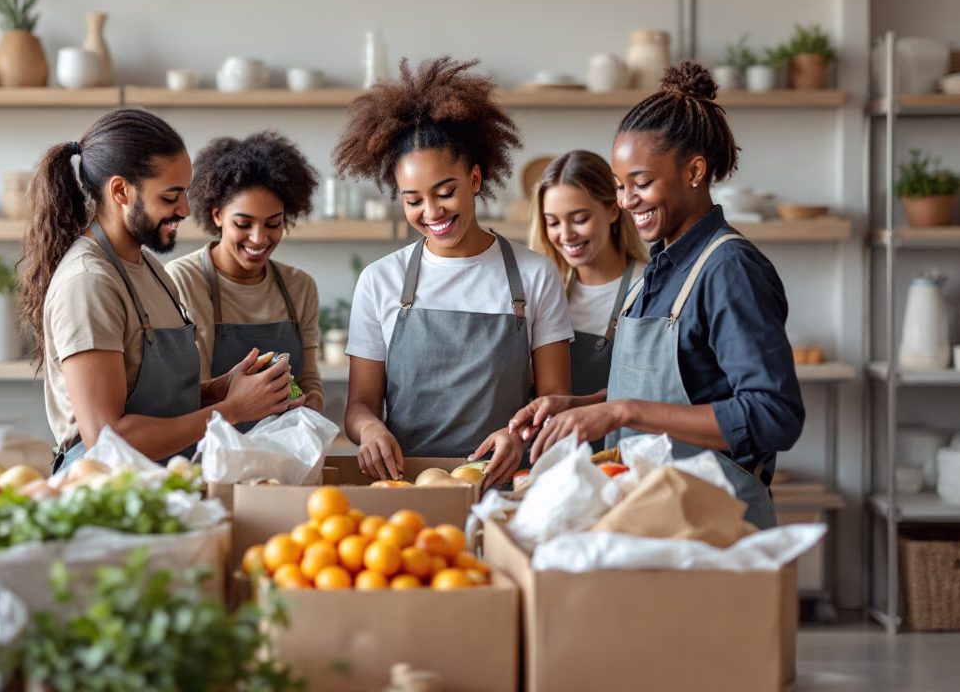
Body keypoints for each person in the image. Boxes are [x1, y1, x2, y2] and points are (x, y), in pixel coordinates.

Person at [510, 62, 804, 528]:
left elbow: (773, 416)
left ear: (695, 170)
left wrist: (620, 412)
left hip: (717, 525)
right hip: (658, 517)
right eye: (622, 187)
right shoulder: (662, 267)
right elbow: (674, 389)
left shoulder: (729, 269)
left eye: (641, 183)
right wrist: (584, 406)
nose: (627, 202)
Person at [333, 56, 574, 491]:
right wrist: (369, 430)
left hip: (505, 487)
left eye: (445, 192)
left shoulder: (535, 275)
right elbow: (359, 406)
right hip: (405, 490)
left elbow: (554, 400)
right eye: (413, 200)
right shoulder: (380, 280)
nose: (431, 212)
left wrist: (520, 437)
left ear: (476, 178)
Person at [18, 109, 295, 472]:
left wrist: (217, 389)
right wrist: (232, 410)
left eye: (185, 193)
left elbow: (147, 397)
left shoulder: (149, 268)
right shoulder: (89, 283)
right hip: (107, 498)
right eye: (170, 197)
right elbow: (106, 438)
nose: (184, 209)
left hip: (161, 483)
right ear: (121, 191)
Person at [166, 131, 324, 426]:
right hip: (209, 452)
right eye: (243, 223)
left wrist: (311, 402)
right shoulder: (182, 281)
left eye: (273, 224)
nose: (259, 238)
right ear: (216, 216)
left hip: (284, 451)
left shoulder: (299, 287)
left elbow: (309, 378)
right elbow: (183, 394)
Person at [529, 149, 648, 451]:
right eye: (552, 222)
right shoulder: (543, 288)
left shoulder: (649, 287)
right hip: (549, 462)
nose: (566, 234)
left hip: (620, 461)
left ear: (612, 211)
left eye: (579, 219)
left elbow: (655, 392)